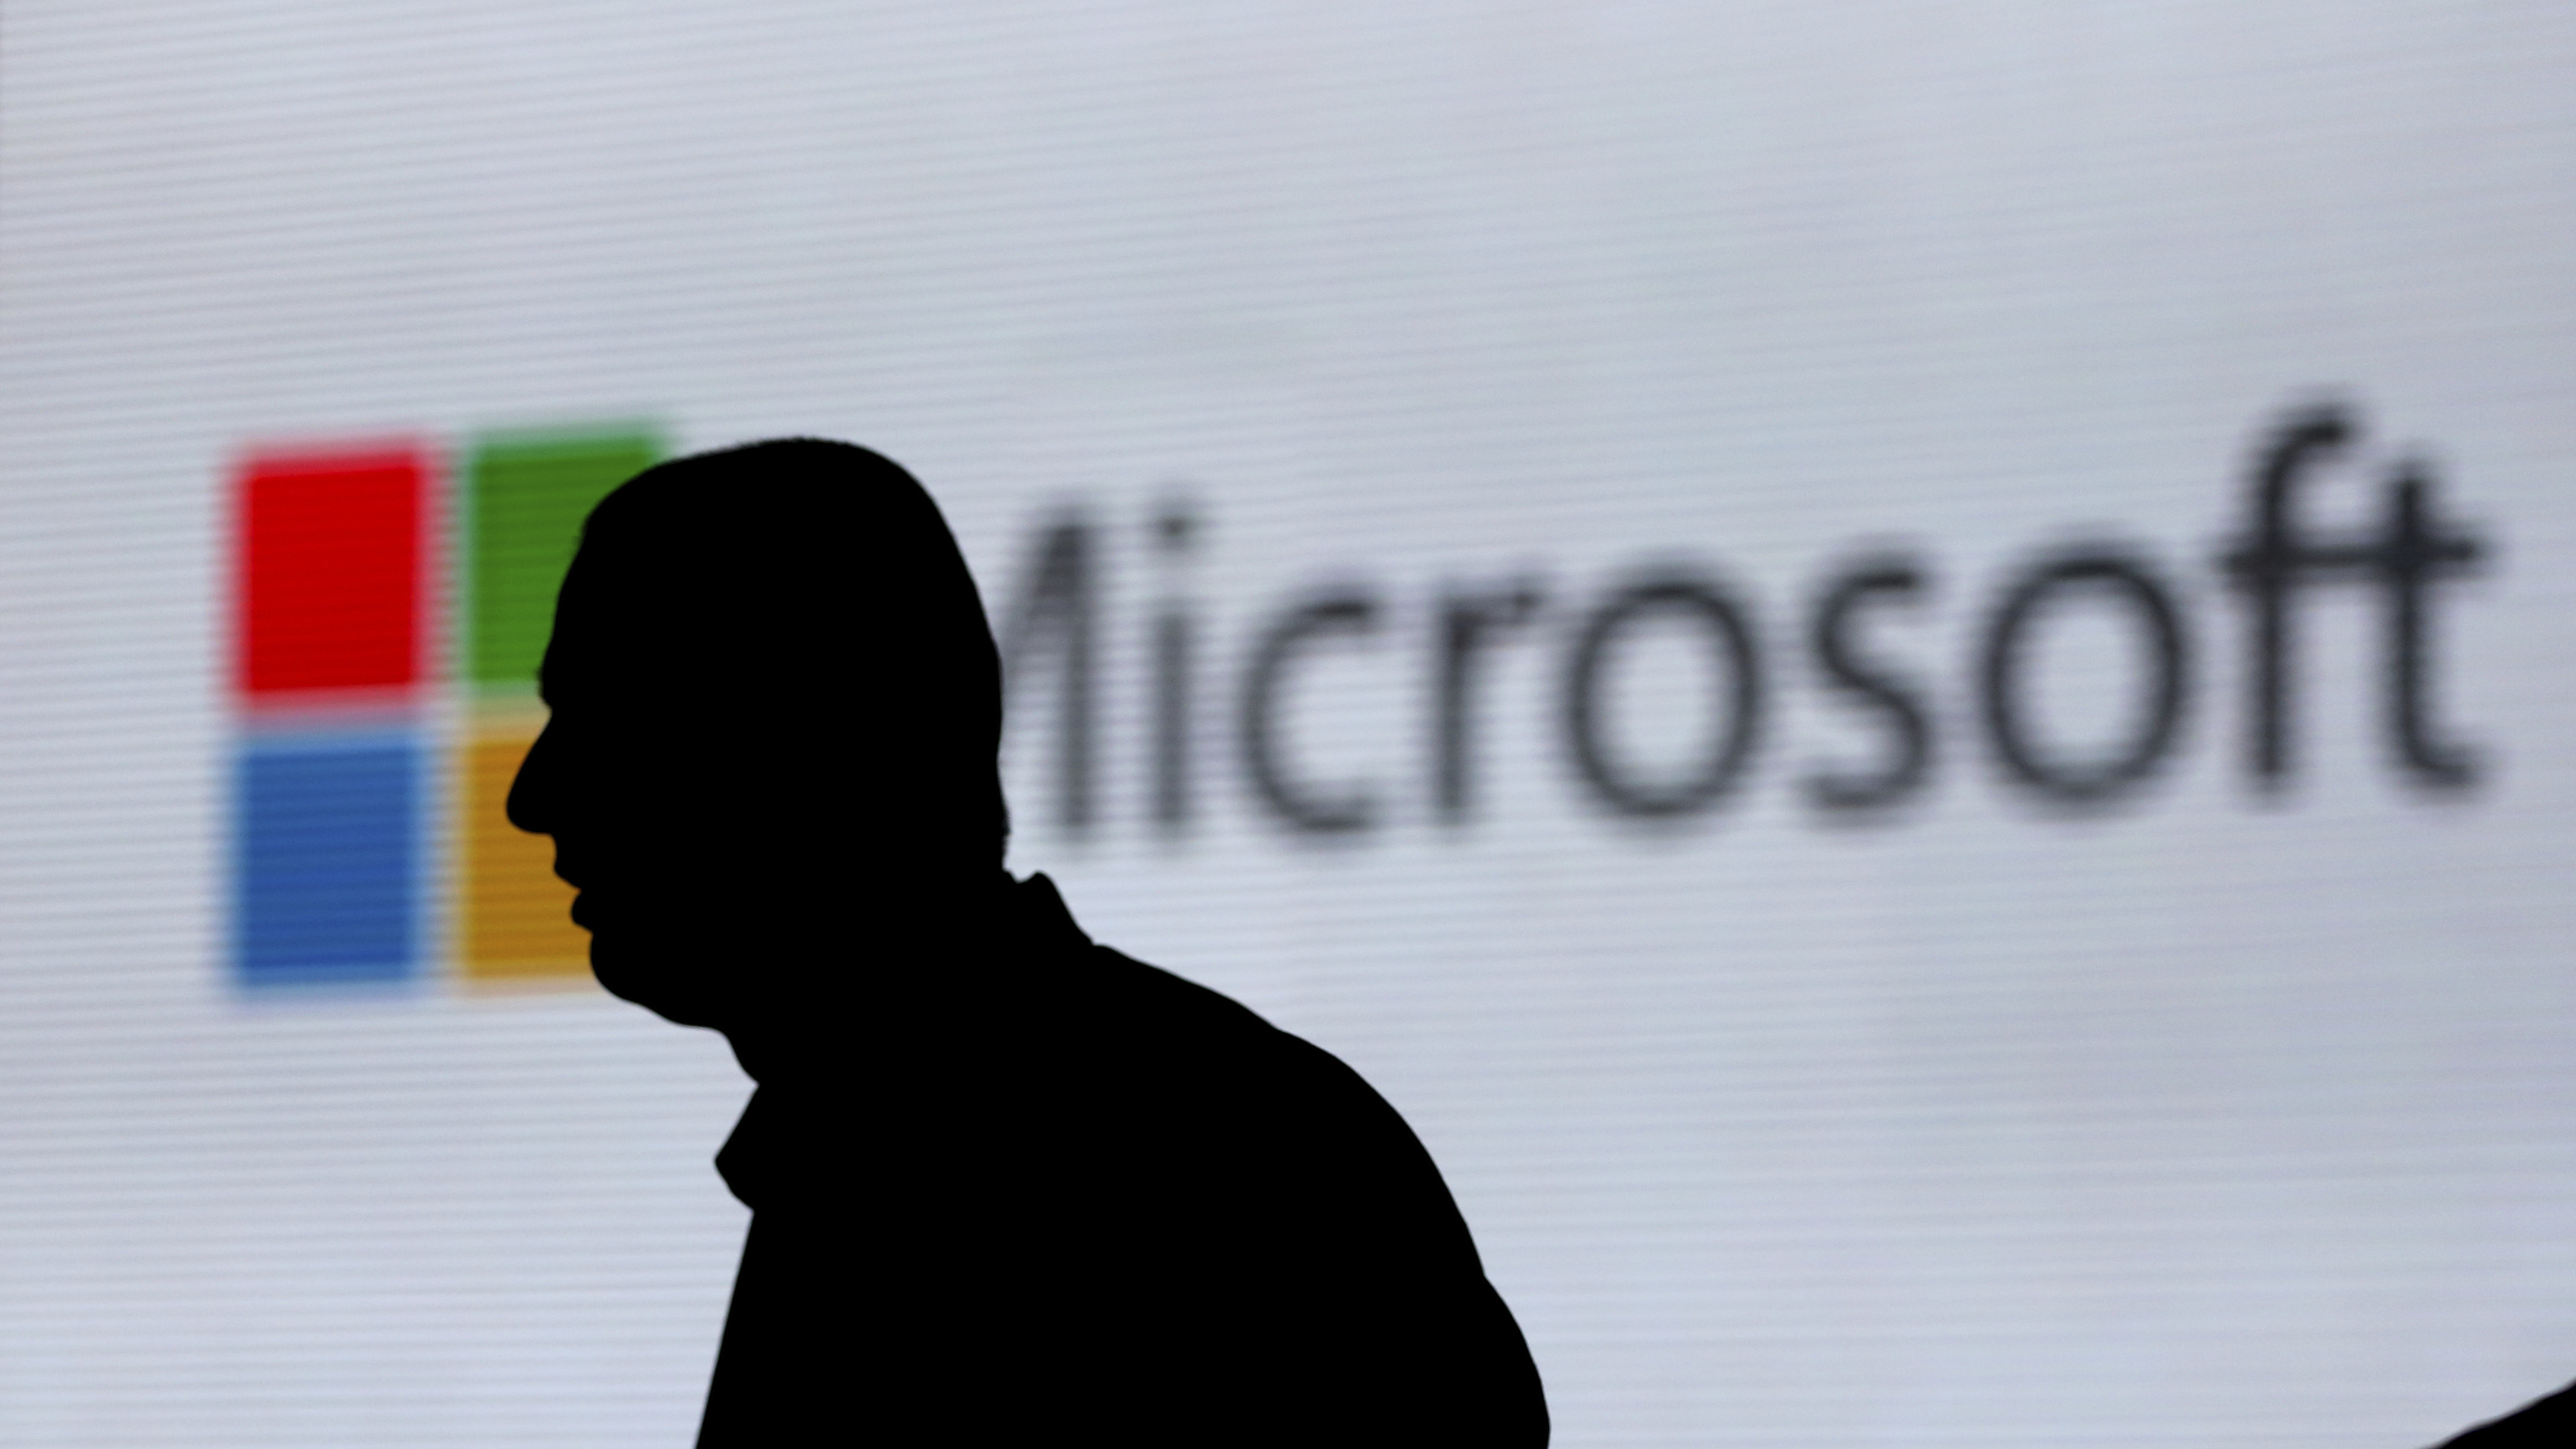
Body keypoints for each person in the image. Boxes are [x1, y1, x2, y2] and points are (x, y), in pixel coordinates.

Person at [506, 438, 1549, 1446]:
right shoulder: (878, 1158)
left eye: (605, 714)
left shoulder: (1230, 1175)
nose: (532, 796)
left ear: (815, 735)